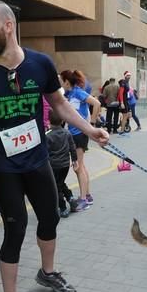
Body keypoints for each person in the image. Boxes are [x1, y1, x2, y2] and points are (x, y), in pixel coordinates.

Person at [0, 0, 108, 292]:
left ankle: (47, 272)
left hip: (37, 158)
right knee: (15, 229)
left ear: (8, 25)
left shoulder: (40, 64)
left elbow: (59, 103)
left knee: (51, 216)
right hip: (4, 166)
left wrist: (89, 129)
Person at [60, 69, 101, 211]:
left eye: (61, 80)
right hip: (73, 133)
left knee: (78, 167)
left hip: (79, 134)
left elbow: (96, 103)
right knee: (80, 166)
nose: (60, 83)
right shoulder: (68, 94)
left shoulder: (78, 92)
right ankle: (87, 195)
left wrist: (93, 124)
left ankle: (83, 199)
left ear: (66, 81)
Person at [46, 109, 78, 218]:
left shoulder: (48, 136)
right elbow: (72, 148)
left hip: (53, 166)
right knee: (60, 182)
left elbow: (45, 152)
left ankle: (63, 208)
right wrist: (74, 160)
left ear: (49, 120)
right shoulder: (67, 133)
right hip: (65, 165)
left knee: (56, 187)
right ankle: (71, 198)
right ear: (62, 120)